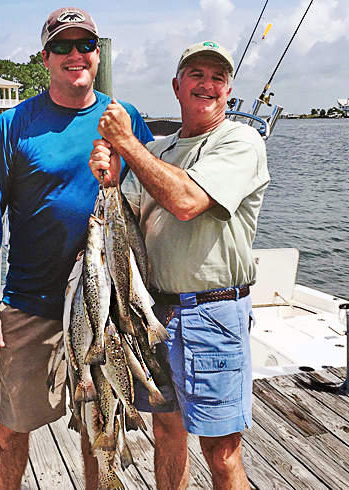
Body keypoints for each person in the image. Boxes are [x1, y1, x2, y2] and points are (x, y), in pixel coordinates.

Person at [0, 7, 153, 490]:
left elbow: (154, 201)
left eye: (85, 45)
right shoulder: (12, 125)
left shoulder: (123, 118)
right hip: (31, 307)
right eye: (63, 46)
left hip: (108, 310)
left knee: (101, 431)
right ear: (45, 56)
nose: (75, 55)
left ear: (97, 53)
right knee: (11, 433)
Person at [89, 41, 269, 490]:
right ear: (176, 85)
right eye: (196, 75)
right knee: (167, 431)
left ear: (228, 90)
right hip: (154, 314)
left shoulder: (240, 140)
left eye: (217, 77)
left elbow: (187, 202)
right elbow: (137, 221)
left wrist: (127, 142)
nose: (207, 85)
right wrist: (110, 179)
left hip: (212, 313)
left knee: (221, 451)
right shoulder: (163, 150)